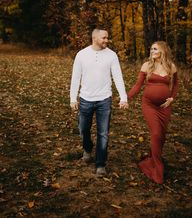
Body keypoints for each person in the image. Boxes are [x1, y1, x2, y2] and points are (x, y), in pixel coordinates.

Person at [70, 27, 128, 177]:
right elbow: (75, 77)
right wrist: (72, 98)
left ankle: (100, 164)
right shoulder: (82, 55)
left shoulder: (112, 55)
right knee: (83, 130)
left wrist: (123, 97)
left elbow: (117, 76)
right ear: (94, 38)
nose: (106, 40)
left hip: (104, 99)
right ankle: (87, 150)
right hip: (85, 99)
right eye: (104, 38)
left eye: (107, 38)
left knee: (103, 133)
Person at [128, 41, 179, 184]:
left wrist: (172, 98)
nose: (152, 51)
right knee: (156, 133)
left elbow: (175, 84)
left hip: (164, 107)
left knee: (161, 136)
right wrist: (126, 97)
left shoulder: (171, 66)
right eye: (151, 49)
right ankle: (157, 168)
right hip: (149, 105)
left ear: (163, 50)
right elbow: (138, 86)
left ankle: (153, 158)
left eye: (155, 49)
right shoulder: (147, 65)